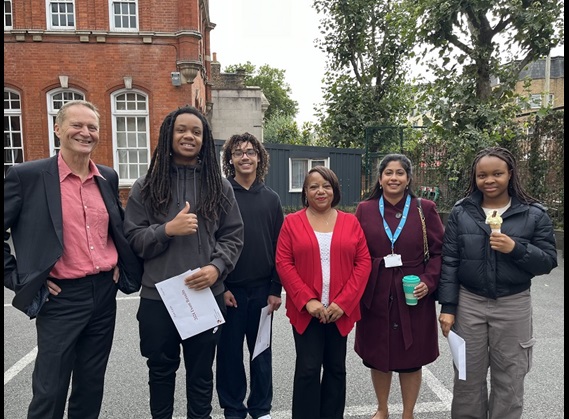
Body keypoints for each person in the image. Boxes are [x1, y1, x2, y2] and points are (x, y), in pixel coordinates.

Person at [3, 100, 143, 419]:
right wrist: (19, 279)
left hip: (104, 292)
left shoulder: (106, 177)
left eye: (92, 127)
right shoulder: (27, 176)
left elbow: (115, 228)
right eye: (76, 125)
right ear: (57, 129)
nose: (85, 132)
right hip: (60, 299)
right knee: (50, 391)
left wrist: (120, 258)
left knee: (90, 386)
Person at [123, 106, 244, 419]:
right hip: (158, 298)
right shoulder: (146, 186)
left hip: (205, 294)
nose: (189, 136)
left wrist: (217, 267)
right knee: (161, 374)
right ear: (168, 135)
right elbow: (133, 239)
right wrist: (166, 230)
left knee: (201, 375)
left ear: (204, 140)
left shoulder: (220, 186)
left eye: (196, 132)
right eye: (182, 130)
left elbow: (233, 236)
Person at [438, 146, 558, 419]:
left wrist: (515, 247)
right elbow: (450, 261)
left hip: (513, 303)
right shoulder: (462, 211)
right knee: (467, 377)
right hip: (469, 302)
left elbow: (548, 261)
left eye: (497, 174)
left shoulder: (533, 213)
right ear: (475, 178)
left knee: (510, 379)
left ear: (510, 175)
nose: (489, 180)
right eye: (482, 175)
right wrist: (448, 306)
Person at [275, 166, 372, 419]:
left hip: (339, 311)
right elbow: (284, 263)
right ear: (305, 192)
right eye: (314, 186)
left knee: (336, 369)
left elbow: (363, 263)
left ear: (334, 190)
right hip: (308, 312)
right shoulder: (291, 223)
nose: (321, 191)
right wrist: (308, 301)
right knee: (307, 369)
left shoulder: (351, 222)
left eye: (326, 186)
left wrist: (344, 303)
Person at [354, 153, 444, 419]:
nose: (394, 178)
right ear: (380, 179)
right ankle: (382, 408)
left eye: (400, 173)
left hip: (413, 291)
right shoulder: (365, 209)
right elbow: (355, 252)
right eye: (388, 173)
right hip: (376, 292)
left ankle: (408, 413)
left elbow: (439, 252)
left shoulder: (424, 208)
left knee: (410, 359)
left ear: (408, 179)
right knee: (378, 356)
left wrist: (428, 282)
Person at [215, 132, 284, 419]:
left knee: (261, 354)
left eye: (250, 151)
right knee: (229, 355)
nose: (245, 156)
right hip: (229, 291)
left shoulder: (271, 199)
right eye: (238, 152)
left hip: (261, 292)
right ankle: (233, 408)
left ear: (259, 158)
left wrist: (275, 289)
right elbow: (211, 242)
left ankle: (260, 408)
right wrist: (220, 287)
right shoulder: (219, 195)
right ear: (230, 159)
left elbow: (281, 248)